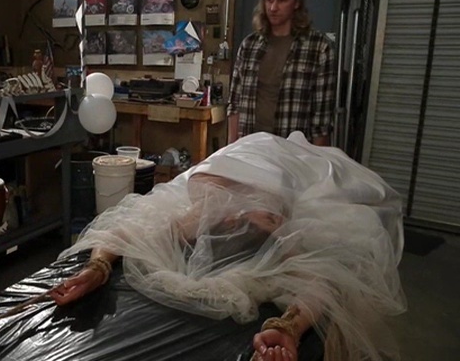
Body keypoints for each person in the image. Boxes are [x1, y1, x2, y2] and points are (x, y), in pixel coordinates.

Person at [51, 131, 406, 361]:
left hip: (277, 164)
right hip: (245, 158)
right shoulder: (200, 211)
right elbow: (125, 231)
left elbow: (321, 276)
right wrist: (96, 267)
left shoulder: (278, 219)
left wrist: (289, 327)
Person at [227, 0, 336, 146]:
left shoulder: (318, 47)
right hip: (250, 144)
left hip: (291, 148)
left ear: (296, 3)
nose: (273, 8)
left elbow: (321, 117)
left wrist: (317, 158)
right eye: (269, 0)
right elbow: (234, 103)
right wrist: (231, 148)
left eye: (282, 0)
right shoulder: (249, 45)